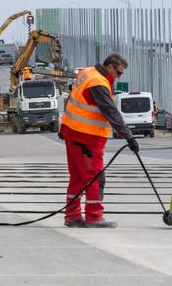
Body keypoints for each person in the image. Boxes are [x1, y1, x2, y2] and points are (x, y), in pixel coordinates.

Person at [59, 53, 140, 228]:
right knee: (94, 178)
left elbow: (73, 101)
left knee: (78, 179)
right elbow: (111, 112)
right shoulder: (99, 83)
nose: (118, 77)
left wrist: (65, 124)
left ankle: (72, 217)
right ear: (110, 67)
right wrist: (129, 136)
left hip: (72, 133)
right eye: (118, 73)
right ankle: (94, 216)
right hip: (86, 137)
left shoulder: (87, 73)